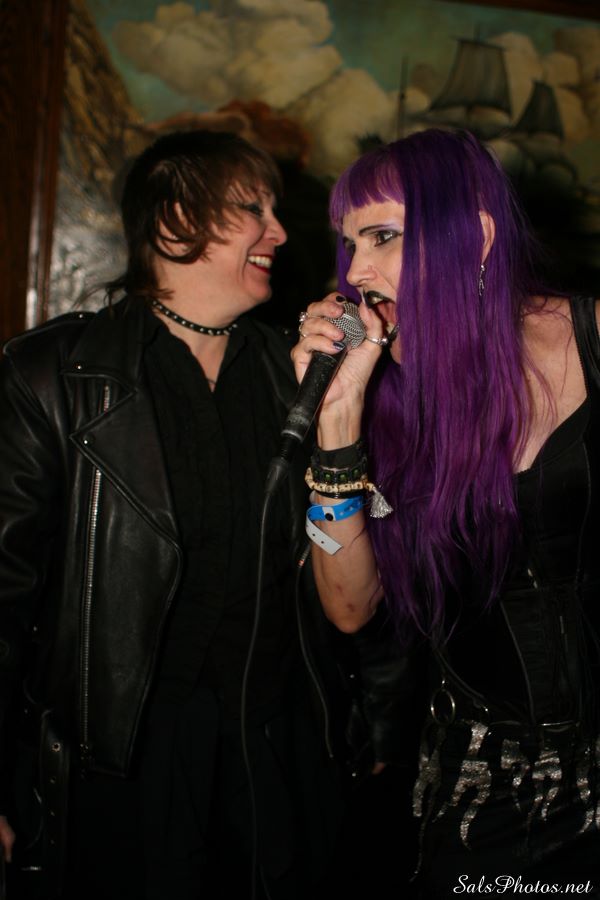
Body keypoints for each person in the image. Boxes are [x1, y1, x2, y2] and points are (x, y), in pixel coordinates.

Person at [0, 129, 407, 900]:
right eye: (254, 208)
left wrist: (381, 727)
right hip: (121, 766)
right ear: (177, 219)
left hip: (282, 759)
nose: (280, 233)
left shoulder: (299, 372)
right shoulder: (54, 375)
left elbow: (362, 552)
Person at [292, 128, 600, 898]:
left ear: (479, 236)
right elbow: (350, 606)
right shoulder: (383, 396)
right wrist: (337, 426)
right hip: (486, 790)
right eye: (349, 245)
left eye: (384, 237)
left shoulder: (594, 339)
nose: (356, 271)